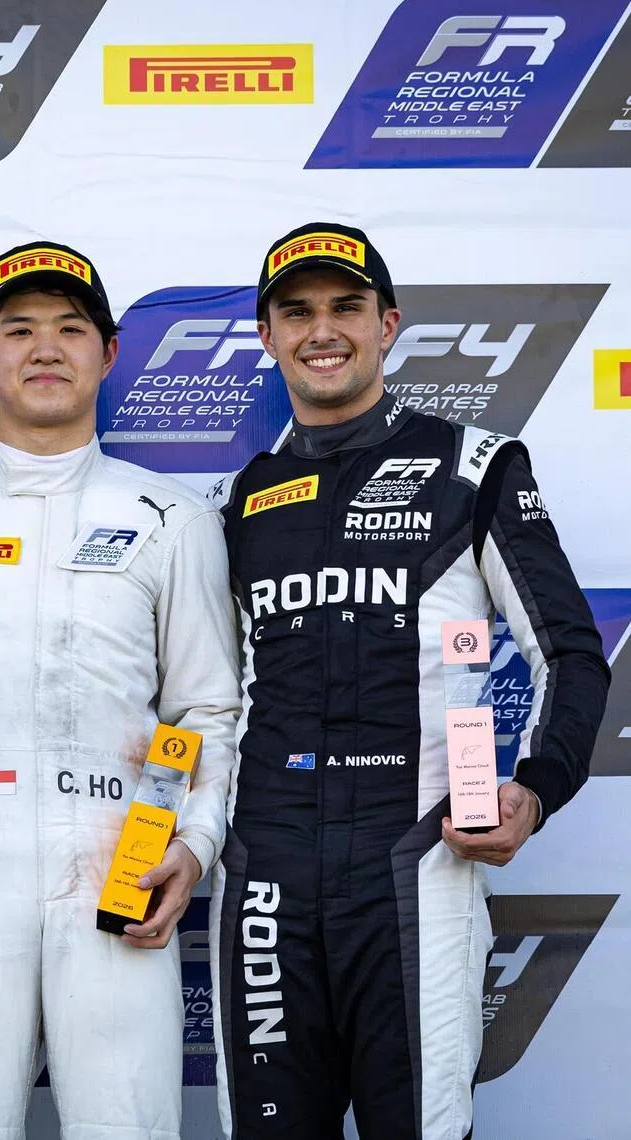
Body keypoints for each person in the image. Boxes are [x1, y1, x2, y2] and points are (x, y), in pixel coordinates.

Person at [209, 222, 610, 1140]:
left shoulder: (474, 467)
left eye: (346, 307)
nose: (323, 330)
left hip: (416, 861)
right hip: (265, 873)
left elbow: (571, 657)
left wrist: (535, 791)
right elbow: (210, 698)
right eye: (296, 311)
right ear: (267, 337)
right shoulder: (236, 504)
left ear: (388, 325)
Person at [0, 240, 241, 1139]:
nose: (46, 348)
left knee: (128, 1124)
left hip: (124, 849)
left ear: (108, 352)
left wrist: (198, 843)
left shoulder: (172, 518)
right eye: (17, 329)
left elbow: (208, 707)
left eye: (71, 328)